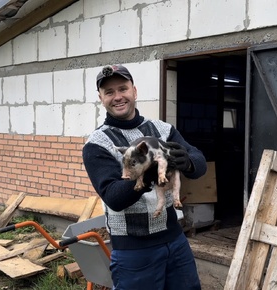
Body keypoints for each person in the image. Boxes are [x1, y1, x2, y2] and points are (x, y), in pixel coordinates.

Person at [82, 64, 207, 290]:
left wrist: (187, 162)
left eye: (123, 89)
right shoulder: (98, 143)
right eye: (109, 92)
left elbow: (199, 161)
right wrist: (148, 174)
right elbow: (114, 197)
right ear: (101, 98)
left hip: (175, 241)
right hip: (134, 252)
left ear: (135, 91)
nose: (118, 97)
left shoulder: (162, 129)